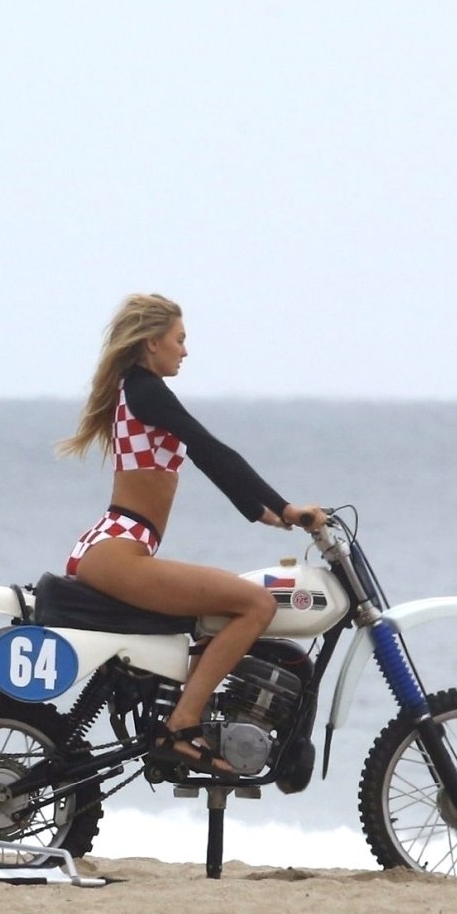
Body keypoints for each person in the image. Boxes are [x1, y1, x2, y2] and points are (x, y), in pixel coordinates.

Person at [57, 293, 327, 775]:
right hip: (119, 549)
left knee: (218, 614)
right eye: (179, 340)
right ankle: (181, 724)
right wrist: (287, 506)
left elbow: (203, 457)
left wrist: (263, 513)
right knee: (256, 604)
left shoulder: (138, 390)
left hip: (112, 543)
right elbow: (212, 447)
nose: (185, 351)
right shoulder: (146, 390)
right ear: (152, 342)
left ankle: (190, 716)